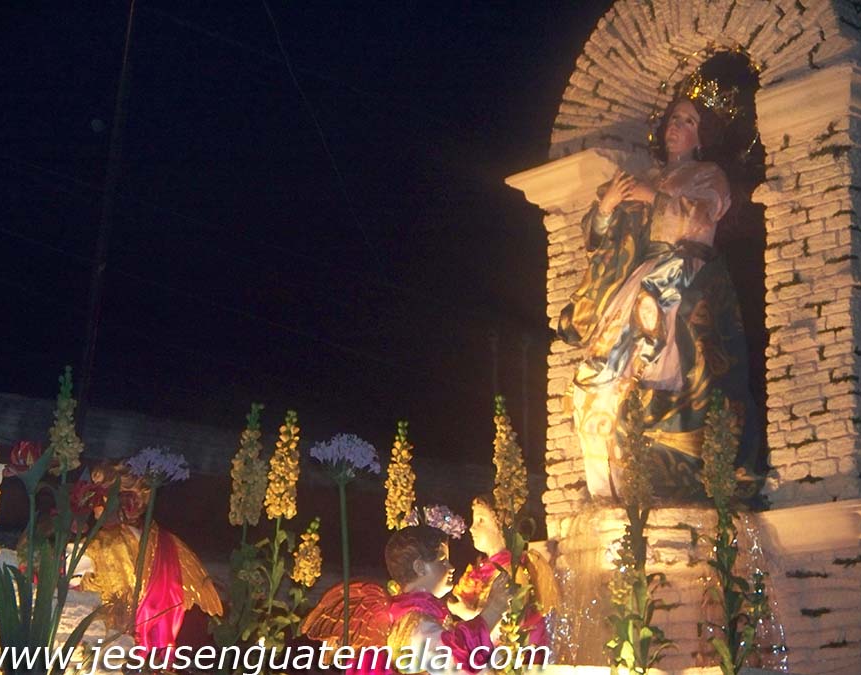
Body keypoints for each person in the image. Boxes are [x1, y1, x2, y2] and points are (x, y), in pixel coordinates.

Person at [557, 75, 761, 501]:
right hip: (637, 276)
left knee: (651, 365)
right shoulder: (643, 176)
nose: (675, 127)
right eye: (673, 118)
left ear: (702, 135)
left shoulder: (708, 175)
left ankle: (662, 466)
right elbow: (602, 239)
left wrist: (655, 198)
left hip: (681, 274)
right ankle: (609, 481)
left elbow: (702, 218)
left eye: (688, 121)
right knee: (601, 373)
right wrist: (606, 207)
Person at [303, 524, 511, 675]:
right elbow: (452, 659)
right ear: (419, 567)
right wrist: (491, 612)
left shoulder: (419, 617)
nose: (451, 567)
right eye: (442, 560)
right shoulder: (414, 622)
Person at [77, 462, 223, 648]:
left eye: (100, 499)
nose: (94, 506)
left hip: (132, 643)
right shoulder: (161, 541)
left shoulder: (163, 545)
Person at [449, 497, 555, 654]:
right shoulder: (481, 570)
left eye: (481, 521)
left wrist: (467, 614)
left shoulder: (513, 570)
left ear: (502, 526)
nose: (472, 528)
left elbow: (512, 627)